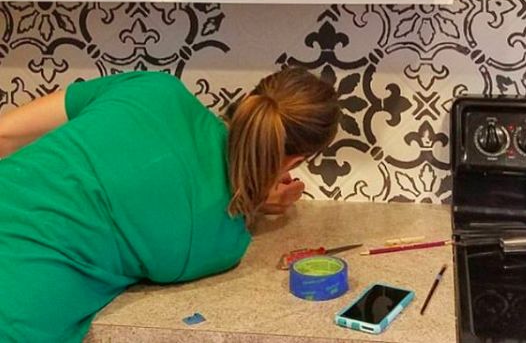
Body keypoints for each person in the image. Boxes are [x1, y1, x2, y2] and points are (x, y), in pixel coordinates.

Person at [0, 66, 339, 342]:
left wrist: (254, 191)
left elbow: (5, 134)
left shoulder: (153, 87)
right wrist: (253, 199)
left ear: (248, 99)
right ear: (295, 161)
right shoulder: (219, 242)